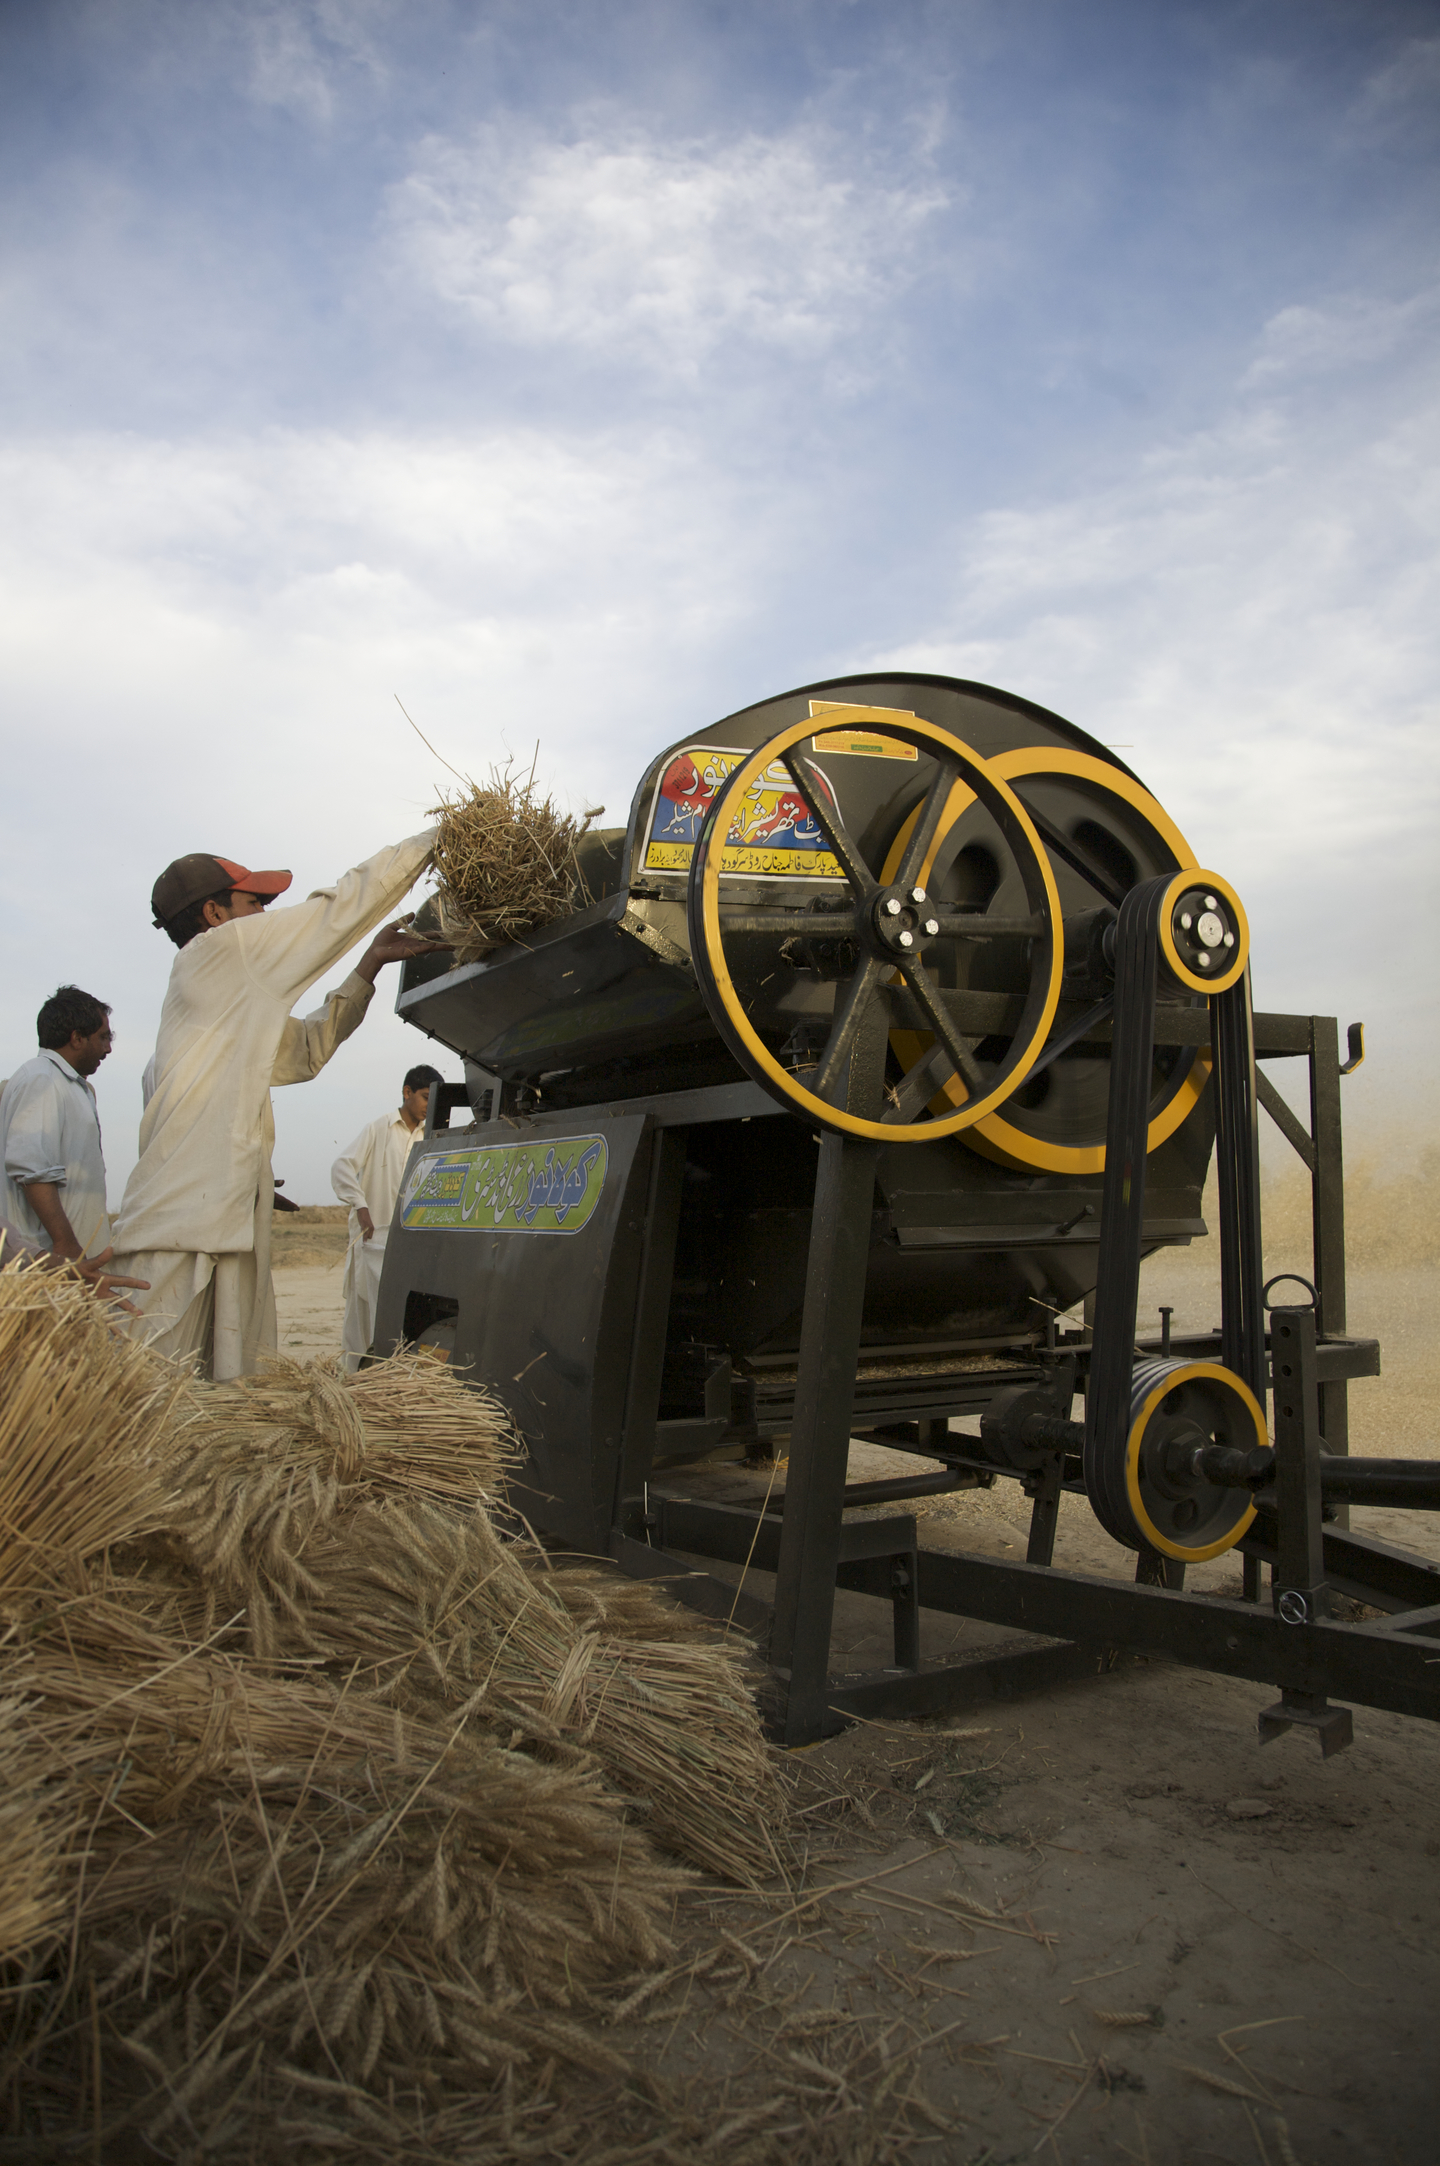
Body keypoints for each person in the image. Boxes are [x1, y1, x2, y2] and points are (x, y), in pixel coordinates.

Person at [110, 836, 448, 1379]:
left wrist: (369, 966)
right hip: (176, 1241)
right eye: (254, 903)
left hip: (222, 1230)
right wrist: (434, 840)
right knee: (145, 1407)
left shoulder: (224, 1009)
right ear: (214, 914)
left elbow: (307, 1051)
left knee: (224, 1410)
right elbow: (335, 911)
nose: (266, 915)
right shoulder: (220, 950)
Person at [330, 1062, 444, 1370]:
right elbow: (341, 1167)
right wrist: (360, 1205)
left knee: (396, 1314)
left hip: (405, 1244)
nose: (427, 1106)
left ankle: (385, 1381)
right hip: (370, 1239)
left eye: (433, 1100)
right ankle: (353, 1382)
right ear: (407, 1092)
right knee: (361, 1317)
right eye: (423, 1097)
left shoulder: (430, 1137)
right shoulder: (379, 1128)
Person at [1, 986, 117, 1269]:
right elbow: (32, 1170)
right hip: (46, 1265)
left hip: (71, 1264)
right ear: (77, 1038)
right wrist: (65, 1245)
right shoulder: (40, 1080)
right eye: (103, 1037)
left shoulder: (72, 1086)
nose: (108, 1048)